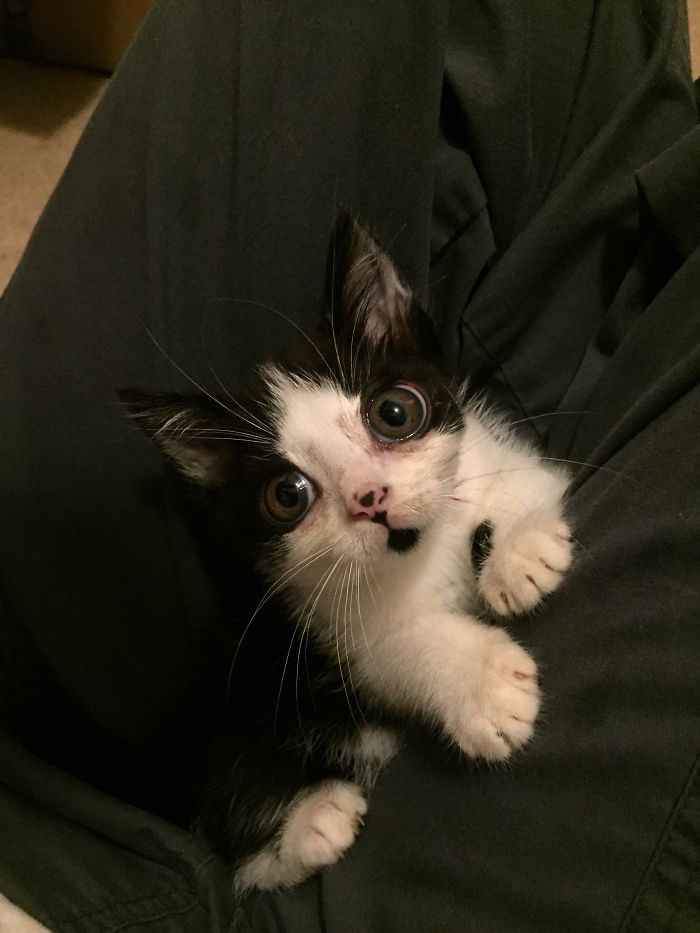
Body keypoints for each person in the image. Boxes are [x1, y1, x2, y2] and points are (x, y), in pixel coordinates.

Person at [1, 1, 698, 929]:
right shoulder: (324, 611)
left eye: (392, 416)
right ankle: (266, 848)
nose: (367, 491)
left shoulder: (464, 450)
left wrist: (513, 535)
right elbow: (389, 644)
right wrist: (461, 666)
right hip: (168, 846)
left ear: (409, 349)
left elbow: (530, 490)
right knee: (255, 756)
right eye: (293, 495)